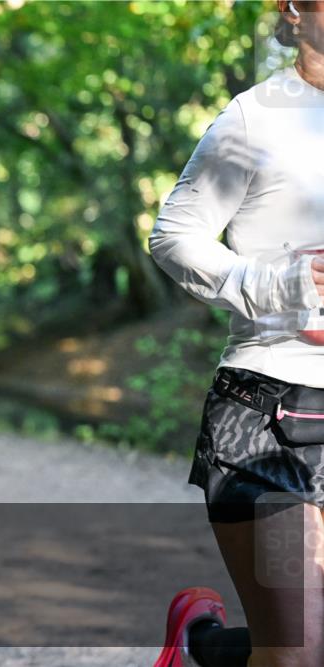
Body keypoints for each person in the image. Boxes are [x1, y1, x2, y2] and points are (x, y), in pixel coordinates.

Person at [149, 3, 324, 665]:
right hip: (274, 410)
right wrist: (282, 285)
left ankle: (201, 648)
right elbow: (174, 237)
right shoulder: (257, 117)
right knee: (300, 650)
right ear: (294, 10)